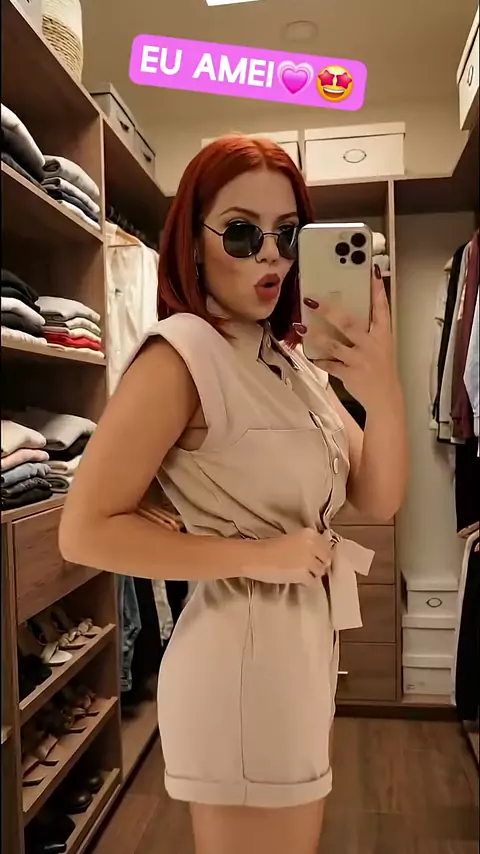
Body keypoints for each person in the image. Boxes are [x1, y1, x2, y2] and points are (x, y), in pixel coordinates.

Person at [59, 135, 409, 854]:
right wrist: (259, 556)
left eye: (288, 234)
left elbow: (379, 497)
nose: (271, 256)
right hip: (240, 665)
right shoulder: (181, 354)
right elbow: (85, 529)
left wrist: (383, 388)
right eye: (243, 233)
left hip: (297, 653)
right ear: (193, 241)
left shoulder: (289, 360)